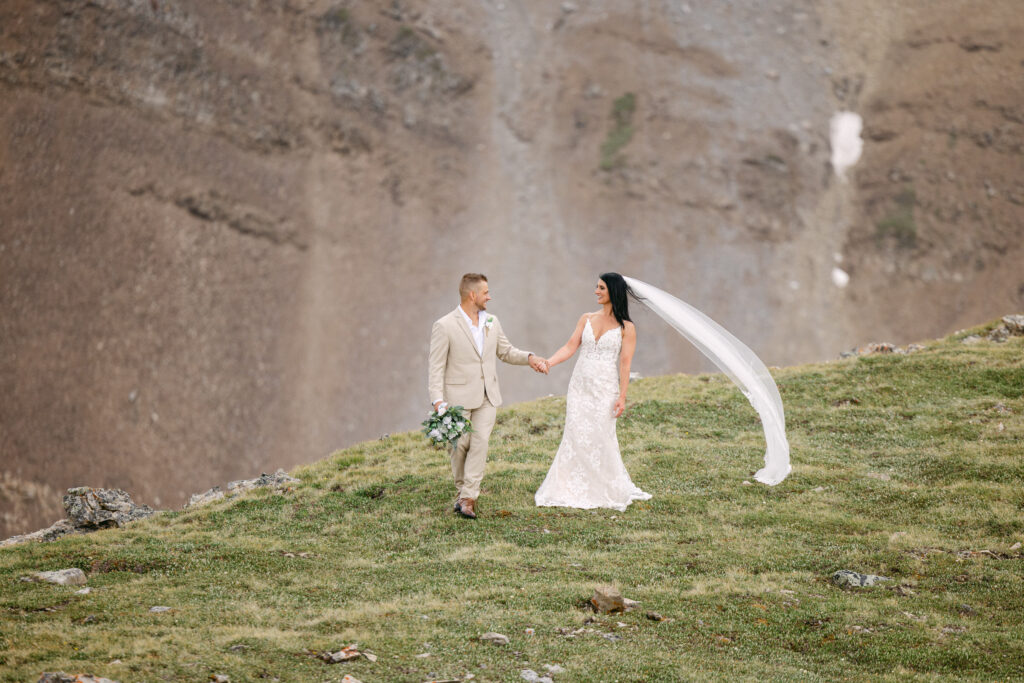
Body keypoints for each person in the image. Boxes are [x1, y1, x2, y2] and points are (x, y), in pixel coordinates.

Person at [428, 273, 549, 519]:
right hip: (457, 398)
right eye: (485, 292)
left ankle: (468, 498)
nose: (489, 297)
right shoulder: (445, 325)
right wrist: (438, 400)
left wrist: (529, 358)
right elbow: (436, 367)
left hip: (488, 397)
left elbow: (505, 351)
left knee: (480, 442)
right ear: (472, 295)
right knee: (459, 446)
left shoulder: (492, 321)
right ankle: (462, 491)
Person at [535, 272, 651, 511]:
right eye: (596, 287)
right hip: (580, 386)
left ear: (613, 292)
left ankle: (603, 486)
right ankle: (568, 485)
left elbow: (625, 364)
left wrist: (622, 396)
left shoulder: (626, 328)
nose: (596, 291)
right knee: (575, 432)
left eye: (601, 288)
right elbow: (570, 346)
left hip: (605, 389)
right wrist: (549, 362)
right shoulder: (586, 318)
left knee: (601, 436)